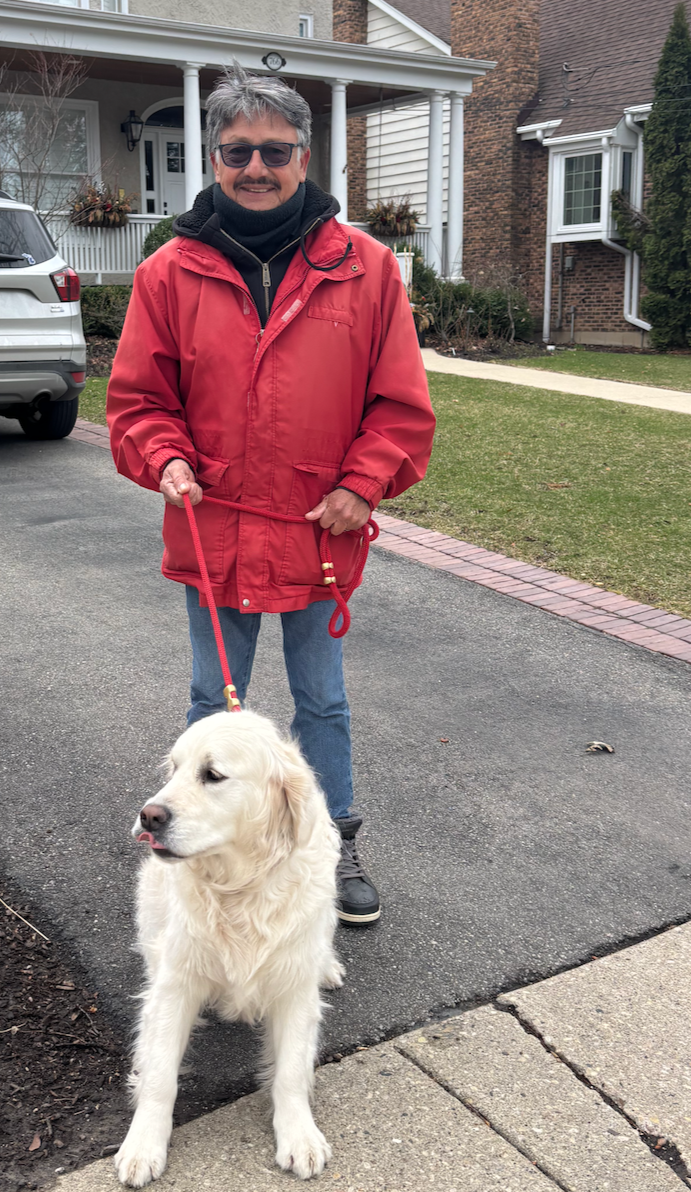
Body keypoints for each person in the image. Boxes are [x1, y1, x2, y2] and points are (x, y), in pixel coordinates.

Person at [107, 63, 434, 925]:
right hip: (211, 532)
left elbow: (398, 405)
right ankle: (197, 843)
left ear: (305, 153)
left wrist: (365, 485)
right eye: (236, 151)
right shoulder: (168, 273)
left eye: (274, 150)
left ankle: (332, 844)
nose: (256, 166)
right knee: (213, 702)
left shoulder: (365, 269)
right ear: (213, 159)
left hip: (319, 534)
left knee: (321, 699)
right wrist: (164, 457)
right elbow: (141, 401)